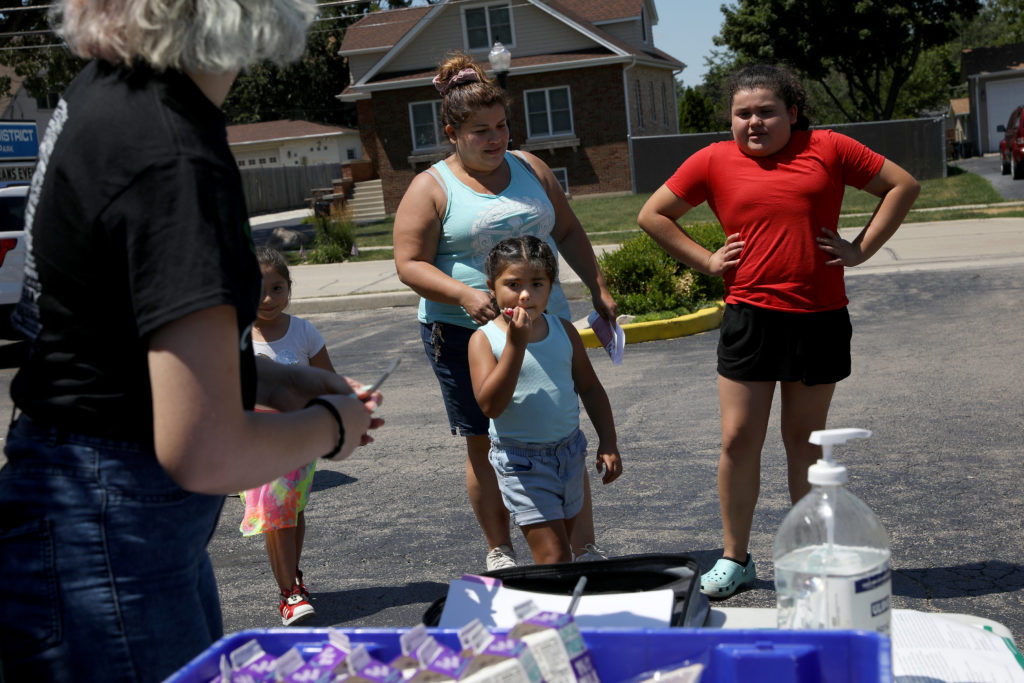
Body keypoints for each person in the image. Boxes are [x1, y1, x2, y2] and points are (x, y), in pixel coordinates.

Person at [0, 2, 383, 681]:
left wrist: (266, 380)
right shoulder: (169, 151)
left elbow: (110, 335)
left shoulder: (115, 92)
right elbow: (205, 451)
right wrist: (331, 426)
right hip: (114, 536)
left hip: (100, 520)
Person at [637, 64, 920, 599]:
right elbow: (654, 215)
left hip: (819, 318)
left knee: (803, 443)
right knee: (738, 439)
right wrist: (705, 260)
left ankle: (808, 560)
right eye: (743, 113)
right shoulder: (713, 159)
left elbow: (902, 185)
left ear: (792, 112)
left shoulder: (830, 148)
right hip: (750, 317)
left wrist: (861, 248)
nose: (753, 123)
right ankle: (735, 558)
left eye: (766, 111)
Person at [393, 52, 617, 570]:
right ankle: (500, 548)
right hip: (465, 334)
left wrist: (597, 286)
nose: (496, 139)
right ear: (452, 132)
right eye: (480, 131)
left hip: (546, 325)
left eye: (502, 126)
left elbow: (567, 231)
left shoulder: (530, 167)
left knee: (562, 428)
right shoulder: (431, 187)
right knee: (484, 442)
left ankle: (582, 546)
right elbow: (408, 264)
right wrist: (464, 294)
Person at [468, 236, 622, 564]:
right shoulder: (484, 340)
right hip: (523, 462)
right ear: (491, 287)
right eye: (512, 284)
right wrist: (516, 345)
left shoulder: (563, 331)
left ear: (551, 286)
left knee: (582, 555)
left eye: (537, 283)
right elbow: (490, 406)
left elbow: (591, 388)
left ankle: (575, 608)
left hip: (569, 455)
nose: (526, 295)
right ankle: (545, 613)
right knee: (553, 559)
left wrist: (608, 441)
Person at [241, 247, 341, 626]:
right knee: (276, 514)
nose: (268, 299)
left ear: (289, 288)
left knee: (293, 512)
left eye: (277, 288)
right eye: (257, 289)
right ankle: (289, 593)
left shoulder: (304, 332)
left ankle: (293, 576)